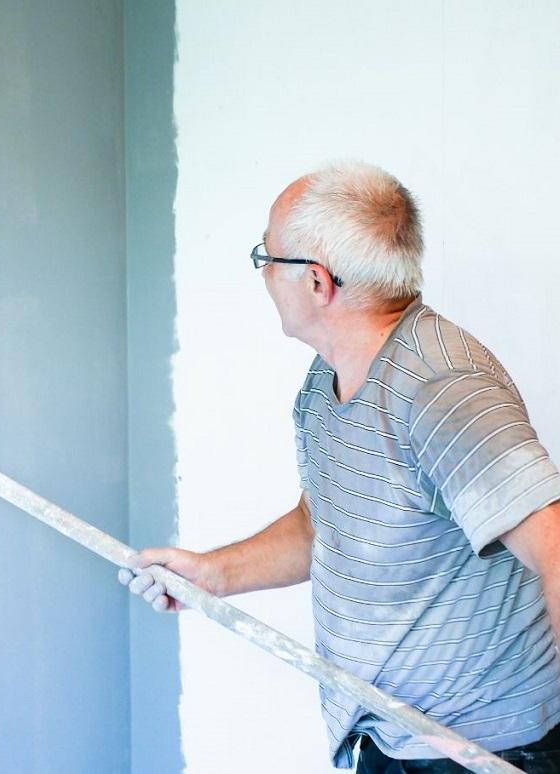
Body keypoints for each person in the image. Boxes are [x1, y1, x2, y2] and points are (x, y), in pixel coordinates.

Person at [120, 162, 560, 772]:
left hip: (484, 754)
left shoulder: (442, 387)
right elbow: (320, 523)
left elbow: (556, 548)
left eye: (266, 258)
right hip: (390, 741)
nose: (264, 275)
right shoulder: (327, 381)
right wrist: (210, 575)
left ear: (317, 282)